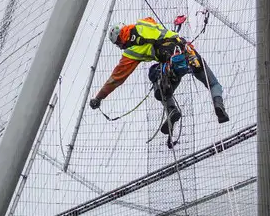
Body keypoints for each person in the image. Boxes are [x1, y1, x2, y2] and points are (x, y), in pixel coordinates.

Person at [88, 17, 229, 135]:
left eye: (118, 43)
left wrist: (99, 97)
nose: (120, 47)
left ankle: (172, 110)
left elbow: (116, 79)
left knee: (156, 78)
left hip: (170, 64)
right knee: (213, 84)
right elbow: (154, 26)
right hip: (187, 51)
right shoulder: (143, 22)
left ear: (120, 38)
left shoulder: (131, 52)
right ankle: (218, 104)